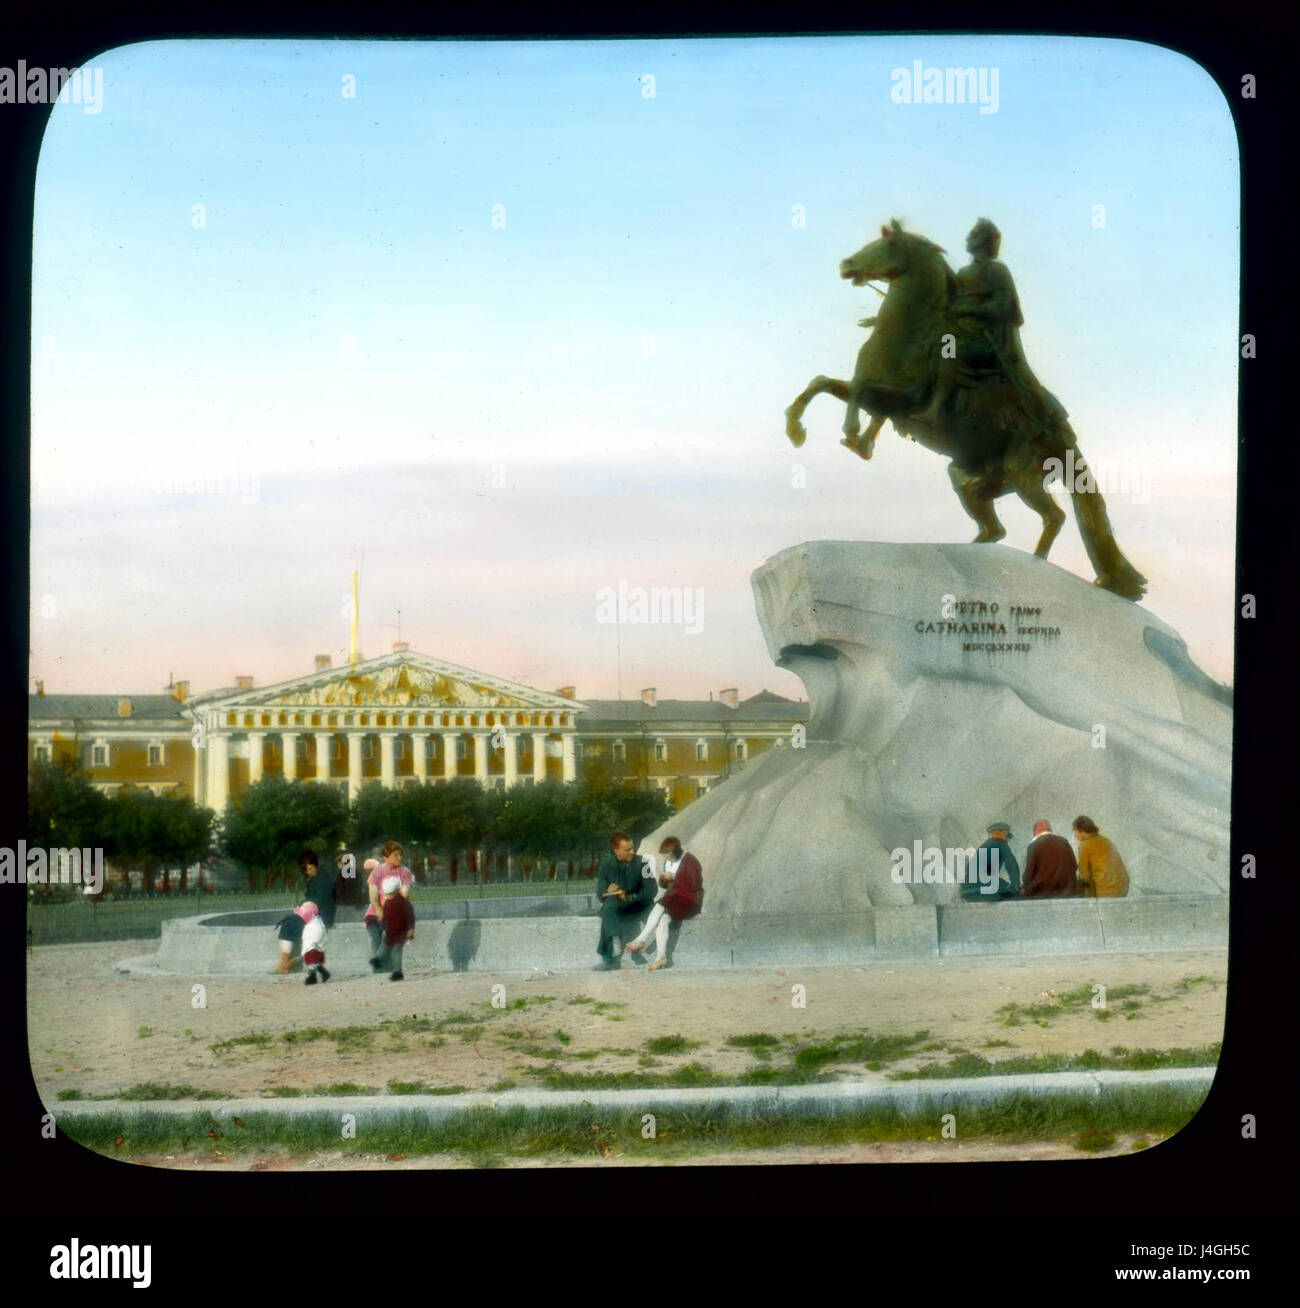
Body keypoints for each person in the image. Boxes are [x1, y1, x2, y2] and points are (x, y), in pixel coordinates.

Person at [916, 218, 1065, 428]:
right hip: (960, 333)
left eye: (974, 233)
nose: (968, 237)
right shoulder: (962, 274)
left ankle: (934, 409)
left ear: (984, 240)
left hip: (986, 343)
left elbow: (1004, 306)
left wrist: (967, 309)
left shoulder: (997, 271)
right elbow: (943, 306)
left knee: (948, 348)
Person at [625, 837, 704, 970]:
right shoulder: (669, 861)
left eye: (669, 855)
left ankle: (641, 939)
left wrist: (674, 881)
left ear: (677, 852)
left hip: (690, 901)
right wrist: (665, 880)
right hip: (675, 900)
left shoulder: (690, 861)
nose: (667, 858)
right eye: (665, 855)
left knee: (660, 904)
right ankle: (661, 956)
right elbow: (666, 886)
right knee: (663, 920)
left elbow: (693, 886)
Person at [592, 831, 655, 970]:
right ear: (617, 851)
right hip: (619, 905)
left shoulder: (642, 863)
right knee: (608, 908)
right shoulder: (607, 865)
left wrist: (631, 897)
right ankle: (611, 951)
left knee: (610, 912)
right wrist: (608, 891)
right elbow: (599, 892)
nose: (632, 851)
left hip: (639, 904)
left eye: (633, 848)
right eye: (628, 849)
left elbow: (652, 890)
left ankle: (612, 955)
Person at [363, 841, 412, 971]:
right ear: (386, 857)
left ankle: (384, 966)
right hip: (374, 914)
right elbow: (373, 898)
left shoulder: (405, 873)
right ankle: (378, 970)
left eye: (401, 855)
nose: (400, 858)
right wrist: (380, 912)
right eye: (396, 855)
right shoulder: (376, 873)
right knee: (375, 938)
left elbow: (404, 894)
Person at [960, 820, 1020, 901]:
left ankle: (971, 892)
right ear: (1001, 833)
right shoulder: (1000, 843)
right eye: (1006, 835)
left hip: (968, 888)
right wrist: (1016, 887)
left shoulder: (985, 845)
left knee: (1004, 886)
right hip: (983, 887)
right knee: (1012, 893)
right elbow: (1012, 866)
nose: (1007, 839)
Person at [1073, 816, 1130, 897]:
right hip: (1122, 889)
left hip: (1104, 891)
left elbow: (1085, 876)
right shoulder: (1106, 841)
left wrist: (1090, 902)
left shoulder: (1085, 845)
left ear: (1080, 831)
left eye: (1075, 832)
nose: (1075, 836)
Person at [1021, 820, 1078, 898]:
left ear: (1035, 832)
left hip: (1043, 891)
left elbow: (1028, 874)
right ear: (1050, 830)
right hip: (1068, 890)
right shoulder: (1064, 841)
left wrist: (1024, 885)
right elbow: (1075, 866)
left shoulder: (1034, 845)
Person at [376, 873, 415, 981]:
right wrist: (383, 925)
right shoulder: (388, 903)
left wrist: (410, 930)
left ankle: (398, 973)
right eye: (387, 894)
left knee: (396, 952)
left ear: (396, 892)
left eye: (390, 894)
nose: (388, 896)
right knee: (384, 949)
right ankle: (379, 961)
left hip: (400, 933)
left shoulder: (404, 903)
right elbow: (385, 916)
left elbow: (410, 917)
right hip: (389, 932)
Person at [300, 848, 338, 929]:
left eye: (310, 869)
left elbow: (320, 901)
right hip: (317, 915)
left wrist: (305, 904)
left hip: (323, 918)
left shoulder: (323, 878)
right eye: (306, 870)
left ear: (315, 864)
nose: (308, 872)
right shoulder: (317, 877)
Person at [299, 901, 330, 985]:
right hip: (313, 947)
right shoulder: (314, 922)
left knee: (312, 962)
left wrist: (312, 945)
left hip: (313, 947)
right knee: (315, 962)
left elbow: (317, 934)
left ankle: (312, 978)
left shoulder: (316, 923)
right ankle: (324, 973)